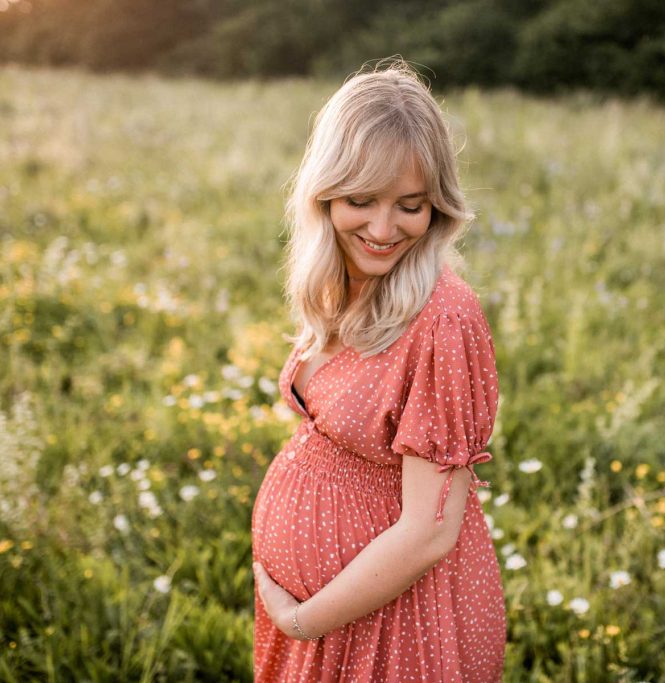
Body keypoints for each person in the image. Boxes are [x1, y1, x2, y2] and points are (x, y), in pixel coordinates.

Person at [250, 58, 507, 681]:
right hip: (331, 613)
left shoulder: (443, 319)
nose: (384, 230)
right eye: (361, 200)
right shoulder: (347, 284)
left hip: (398, 623)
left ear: (437, 207)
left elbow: (428, 533)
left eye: (410, 206)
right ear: (324, 194)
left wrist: (304, 619)